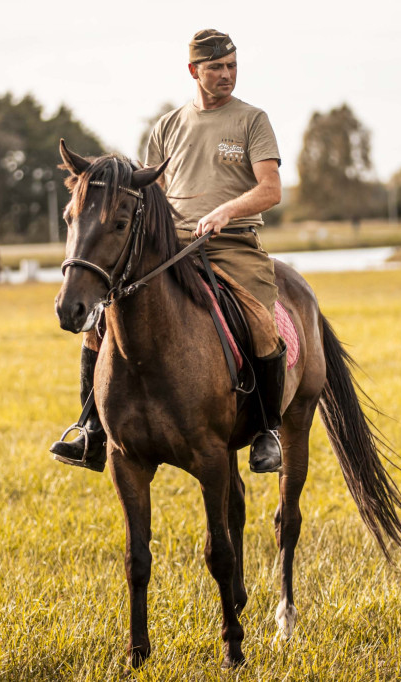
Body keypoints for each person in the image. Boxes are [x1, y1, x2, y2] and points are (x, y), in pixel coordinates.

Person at [50, 29, 286, 474]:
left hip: (232, 247)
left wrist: (225, 212)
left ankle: (267, 432)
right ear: (194, 71)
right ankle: (91, 430)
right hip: (174, 248)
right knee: (100, 324)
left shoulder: (252, 120)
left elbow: (270, 189)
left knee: (260, 323)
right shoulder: (167, 126)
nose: (227, 75)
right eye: (216, 68)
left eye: (232, 66)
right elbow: (151, 198)